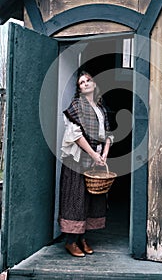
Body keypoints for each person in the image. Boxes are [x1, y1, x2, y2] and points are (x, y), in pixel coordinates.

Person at [59, 71, 114, 257]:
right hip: (78, 158)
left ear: (94, 83)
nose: (85, 83)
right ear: (79, 89)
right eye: (81, 82)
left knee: (91, 198)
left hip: (96, 157)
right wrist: (92, 154)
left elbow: (107, 134)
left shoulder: (100, 108)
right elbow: (75, 134)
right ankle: (70, 241)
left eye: (88, 80)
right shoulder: (77, 106)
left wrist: (104, 155)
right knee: (76, 197)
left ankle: (82, 237)